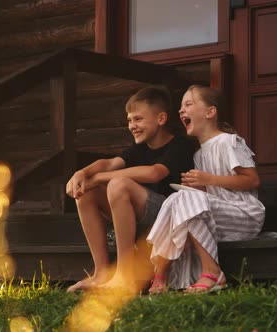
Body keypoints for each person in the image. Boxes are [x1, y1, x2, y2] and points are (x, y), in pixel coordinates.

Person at [65, 86, 195, 292]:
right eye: (129, 120)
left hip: (169, 220)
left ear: (161, 119)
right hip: (144, 220)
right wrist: (82, 173)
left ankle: (125, 276)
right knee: (86, 191)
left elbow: (155, 173)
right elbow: (108, 163)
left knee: (119, 184)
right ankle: (101, 273)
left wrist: (99, 178)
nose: (132, 126)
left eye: (138, 119)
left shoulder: (181, 145)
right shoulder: (139, 148)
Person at [146, 85, 265, 294]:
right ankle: (161, 274)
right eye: (181, 107)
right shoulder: (199, 155)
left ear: (210, 112)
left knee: (183, 198)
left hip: (244, 215)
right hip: (217, 217)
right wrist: (201, 187)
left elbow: (252, 180)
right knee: (175, 199)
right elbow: (211, 195)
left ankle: (212, 272)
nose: (181, 110)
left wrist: (209, 179)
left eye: (189, 104)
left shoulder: (229, 142)